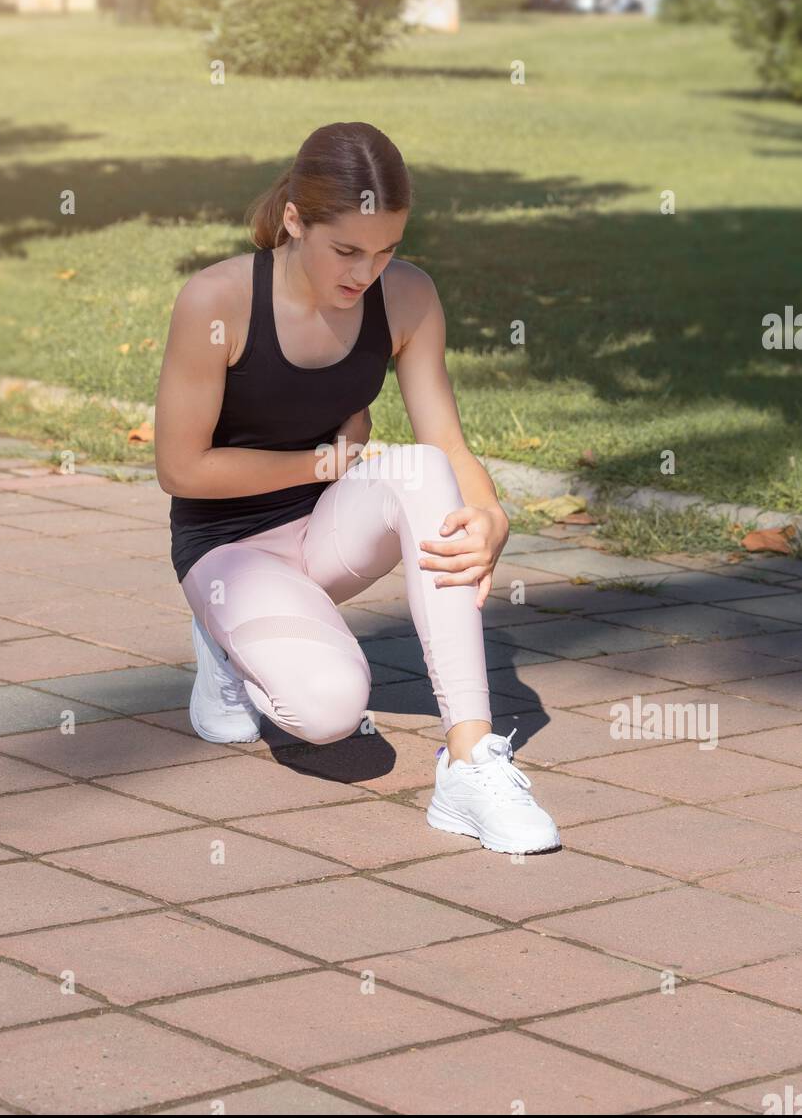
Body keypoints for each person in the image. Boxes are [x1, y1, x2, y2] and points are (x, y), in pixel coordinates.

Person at [154, 121, 560, 856]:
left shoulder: (406, 299)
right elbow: (182, 469)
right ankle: (225, 637)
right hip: (229, 551)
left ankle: (469, 761)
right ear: (293, 221)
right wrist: (324, 465)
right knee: (330, 712)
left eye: (386, 250)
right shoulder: (216, 301)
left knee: (422, 471)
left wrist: (491, 514)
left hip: (326, 536)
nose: (364, 273)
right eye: (345, 250)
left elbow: (445, 443)